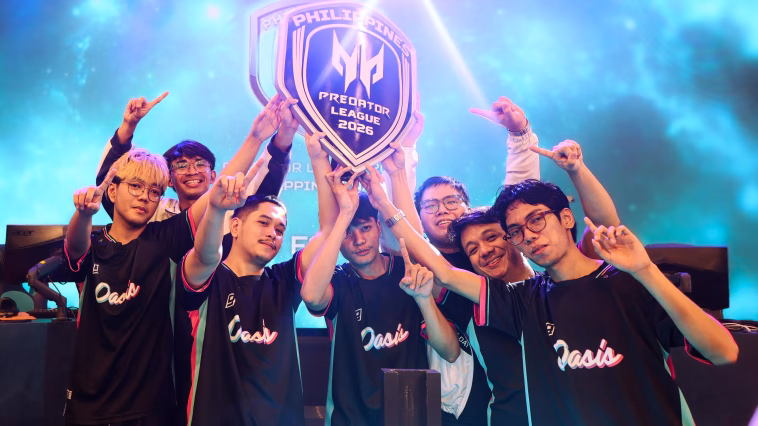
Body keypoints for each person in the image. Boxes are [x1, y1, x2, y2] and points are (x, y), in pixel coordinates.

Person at [369, 155, 739, 425]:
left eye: (536, 220)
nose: (529, 235)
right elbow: (443, 272)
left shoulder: (630, 281)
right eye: (517, 230)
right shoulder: (522, 299)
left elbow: (723, 351)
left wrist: (645, 271)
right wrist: (384, 202)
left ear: (565, 218)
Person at [176, 130, 340, 426]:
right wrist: (216, 208)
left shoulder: (285, 280)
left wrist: (318, 158)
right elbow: (206, 254)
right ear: (235, 226)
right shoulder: (208, 277)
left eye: (280, 229)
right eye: (263, 223)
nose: (272, 233)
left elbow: (328, 229)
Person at [300, 140, 460, 426]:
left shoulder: (406, 271)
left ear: (378, 228)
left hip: (412, 417)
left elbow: (450, 352)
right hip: (351, 419)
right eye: (348, 233)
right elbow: (311, 297)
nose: (359, 240)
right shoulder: (339, 281)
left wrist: (424, 299)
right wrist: (343, 215)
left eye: (365, 228)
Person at [63, 147, 225, 425]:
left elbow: (214, 195)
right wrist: (84, 214)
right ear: (112, 191)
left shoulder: (165, 238)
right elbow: (75, 247)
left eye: (154, 192)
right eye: (136, 186)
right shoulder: (93, 245)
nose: (144, 197)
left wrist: (256, 138)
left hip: (151, 407)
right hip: (89, 403)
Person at [411, 96, 540, 425]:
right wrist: (404, 157)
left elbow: (519, 198)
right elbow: (404, 230)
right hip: (468, 400)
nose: (442, 210)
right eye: (430, 206)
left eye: (451, 201)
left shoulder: (500, 249)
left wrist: (520, 136)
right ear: (419, 218)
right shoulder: (423, 264)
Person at [96, 92, 297, 221]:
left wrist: (285, 131)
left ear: (213, 176)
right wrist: (129, 125)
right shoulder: (153, 210)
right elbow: (110, 184)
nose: (192, 171)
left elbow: (268, 181)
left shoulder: (234, 208)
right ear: (168, 180)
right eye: (181, 165)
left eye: (200, 164)